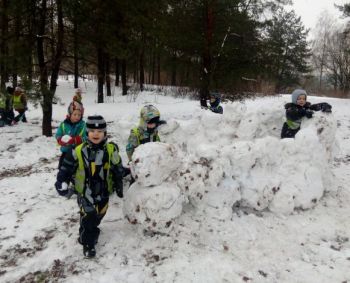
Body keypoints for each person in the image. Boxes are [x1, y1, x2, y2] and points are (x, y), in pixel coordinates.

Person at [55, 115, 125, 258]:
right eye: (92, 131)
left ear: (105, 133)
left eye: (99, 131)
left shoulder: (111, 150)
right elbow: (65, 169)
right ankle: (88, 243)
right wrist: (61, 182)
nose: (96, 134)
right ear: (87, 132)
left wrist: (119, 184)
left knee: (100, 213)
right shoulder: (77, 150)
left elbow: (118, 167)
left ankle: (90, 226)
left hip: (104, 190)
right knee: (89, 215)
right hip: (85, 191)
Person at [55, 101, 86, 168]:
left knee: (76, 171)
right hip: (65, 152)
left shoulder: (83, 125)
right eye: (75, 114)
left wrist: (77, 140)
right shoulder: (63, 124)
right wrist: (60, 139)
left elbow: (86, 137)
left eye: (79, 115)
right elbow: (58, 134)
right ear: (70, 114)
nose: (77, 117)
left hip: (79, 153)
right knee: (62, 170)